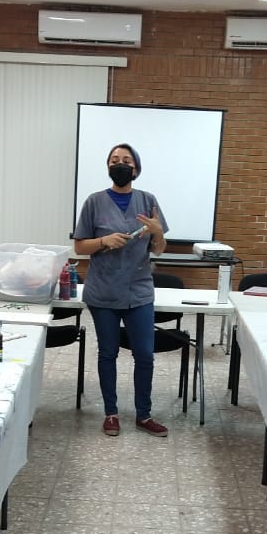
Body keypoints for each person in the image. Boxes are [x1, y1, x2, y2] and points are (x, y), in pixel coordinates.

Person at [72, 143, 170, 438]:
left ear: (136, 169)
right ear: (108, 168)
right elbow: (78, 246)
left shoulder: (148, 200)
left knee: (145, 354)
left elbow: (160, 249)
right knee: (108, 353)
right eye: (114, 160)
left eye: (126, 160)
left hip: (138, 291)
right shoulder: (94, 202)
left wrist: (157, 232)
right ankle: (111, 413)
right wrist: (104, 241)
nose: (120, 164)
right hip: (103, 292)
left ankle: (144, 414)